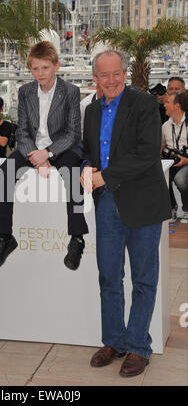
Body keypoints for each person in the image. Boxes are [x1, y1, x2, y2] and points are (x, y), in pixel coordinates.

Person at [81, 50, 171, 377]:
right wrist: (87, 167)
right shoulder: (91, 110)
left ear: (125, 73)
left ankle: (137, 347)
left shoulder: (145, 104)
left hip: (143, 204)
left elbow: (147, 154)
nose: (112, 80)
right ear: (96, 79)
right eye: (104, 75)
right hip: (107, 204)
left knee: (143, 279)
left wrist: (103, 176)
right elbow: (87, 151)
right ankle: (114, 341)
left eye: (116, 73)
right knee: (108, 276)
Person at [0, 41, 88, 272]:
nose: (40, 73)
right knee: (4, 174)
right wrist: (34, 154)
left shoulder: (70, 91)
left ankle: (77, 238)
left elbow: (73, 133)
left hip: (62, 147)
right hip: (31, 147)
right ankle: (4, 237)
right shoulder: (25, 92)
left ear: (56, 66)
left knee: (73, 176)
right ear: (30, 69)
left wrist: (48, 153)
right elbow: (22, 130)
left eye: (45, 68)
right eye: (35, 68)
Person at [162, 92, 188, 223]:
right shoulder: (165, 126)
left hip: (187, 162)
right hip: (172, 163)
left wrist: (186, 160)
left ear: (177, 106)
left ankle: (187, 210)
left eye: (167, 102)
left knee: (181, 178)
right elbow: (160, 148)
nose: (164, 104)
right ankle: (171, 209)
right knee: (160, 175)